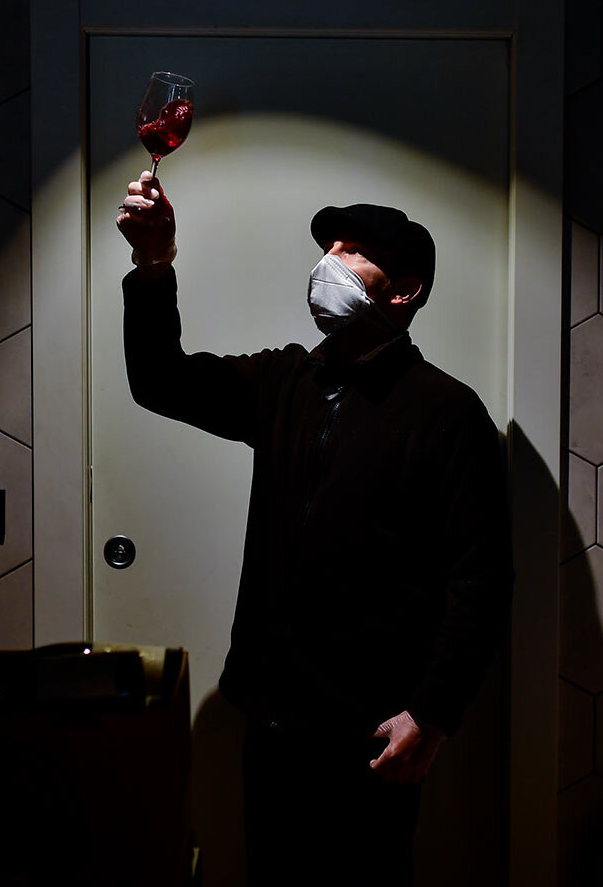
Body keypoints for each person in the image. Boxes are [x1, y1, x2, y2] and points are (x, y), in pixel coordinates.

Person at [117, 171, 512, 886]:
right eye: (327, 244)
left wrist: (433, 712)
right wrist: (153, 266)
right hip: (272, 717)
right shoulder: (284, 382)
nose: (326, 261)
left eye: (352, 249)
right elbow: (160, 381)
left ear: (403, 290)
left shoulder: (449, 414)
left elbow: (480, 576)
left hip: (373, 729)